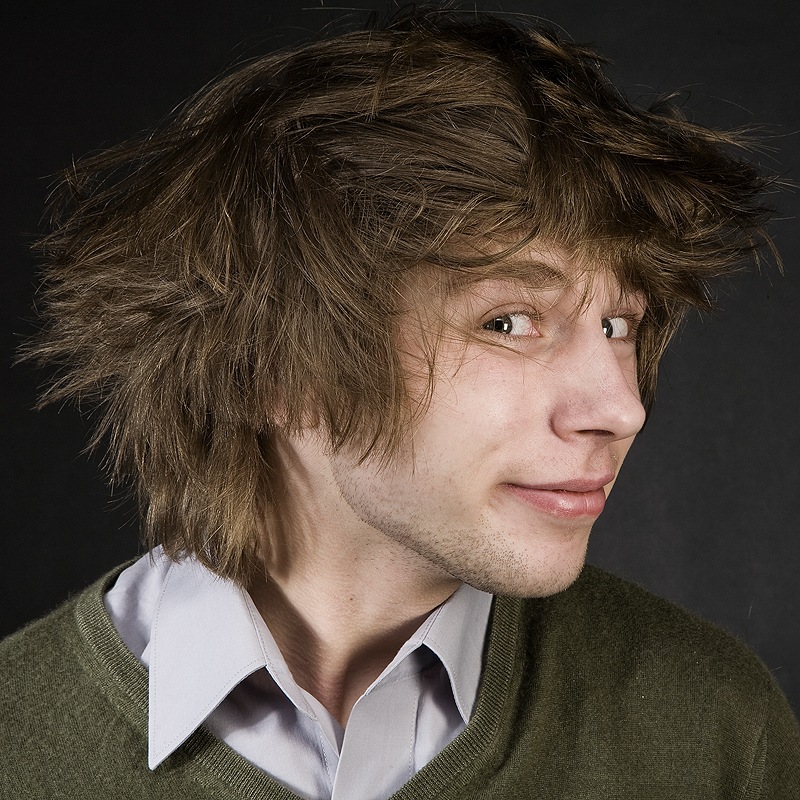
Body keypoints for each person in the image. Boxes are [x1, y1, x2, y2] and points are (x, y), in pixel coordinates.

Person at [2, 6, 798, 798]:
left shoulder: (718, 730)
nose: (622, 409)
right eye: (509, 321)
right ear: (272, 366)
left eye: (618, 325)